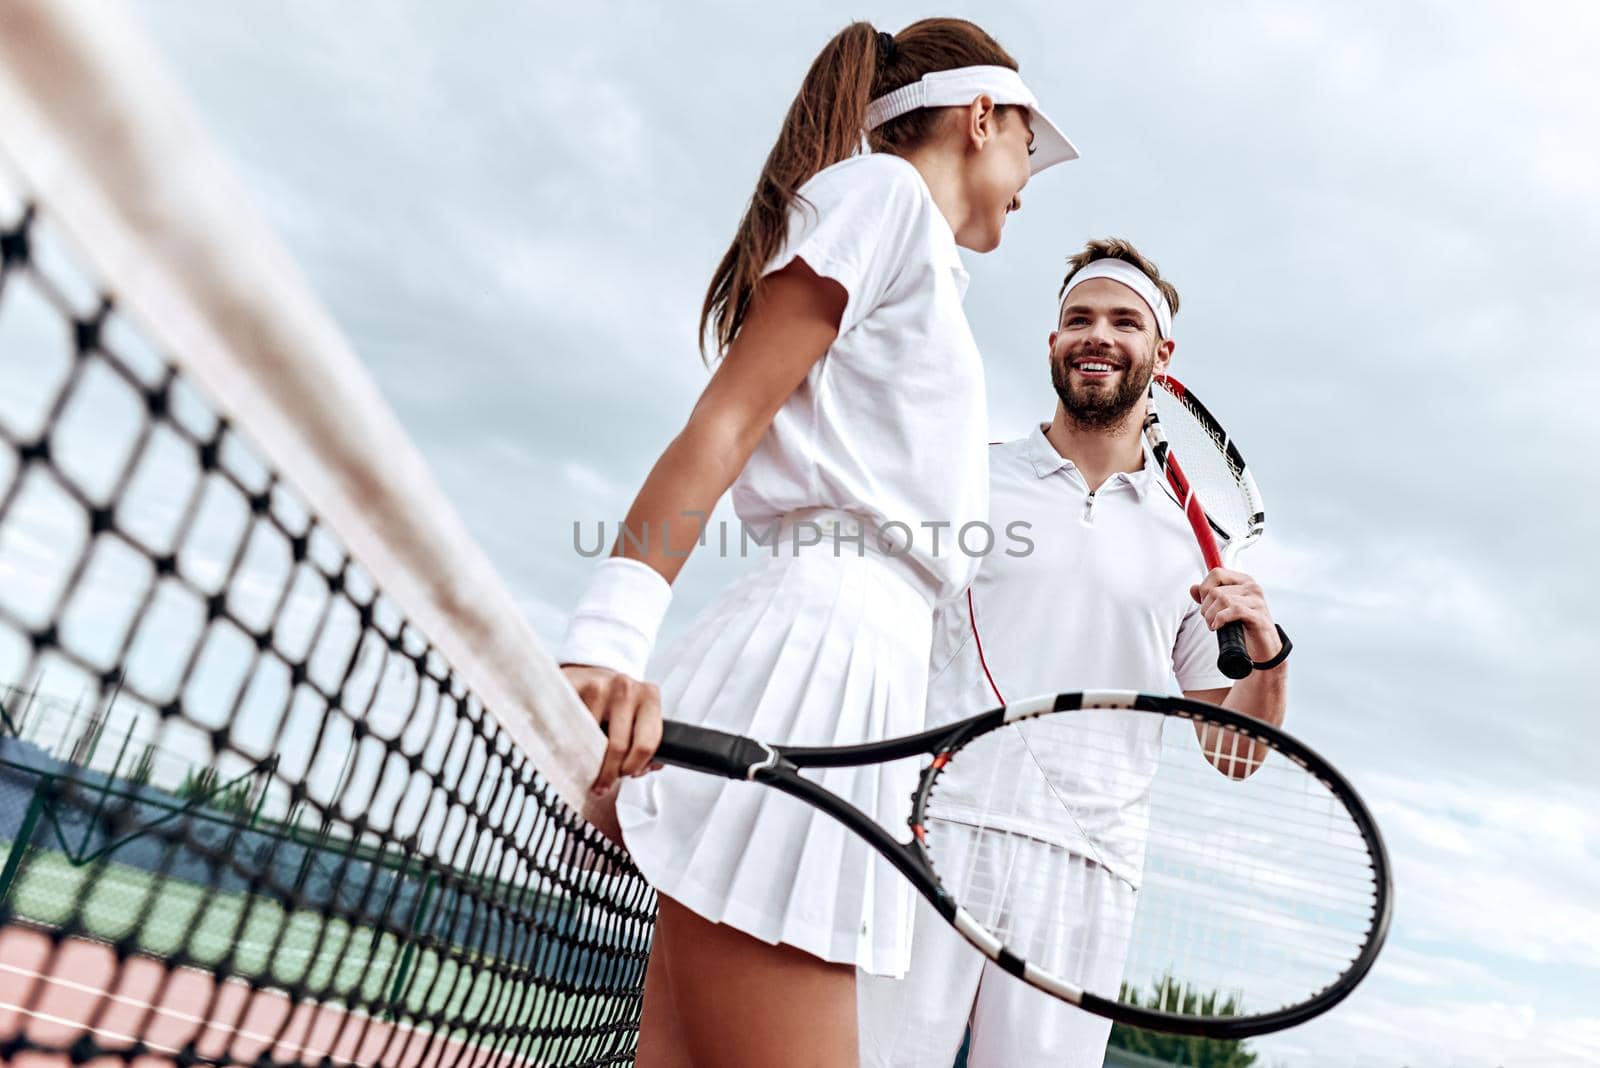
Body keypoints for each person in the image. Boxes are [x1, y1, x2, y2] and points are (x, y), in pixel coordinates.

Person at [555, 20, 1077, 1068]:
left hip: (841, 676)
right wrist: (606, 640)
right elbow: (724, 421)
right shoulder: (881, 196)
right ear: (980, 118)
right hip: (810, 670)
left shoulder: (919, 258)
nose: (1029, 178)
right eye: (1028, 142)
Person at [856, 237, 1291, 1068]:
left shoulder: (1200, 546)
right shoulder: (964, 480)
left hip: (1087, 869)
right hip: (928, 831)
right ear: (1053, 342)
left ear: (1161, 356)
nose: (1098, 334)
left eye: (1124, 321)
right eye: (1078, 318)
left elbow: (1234, 753)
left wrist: (1270, 662)